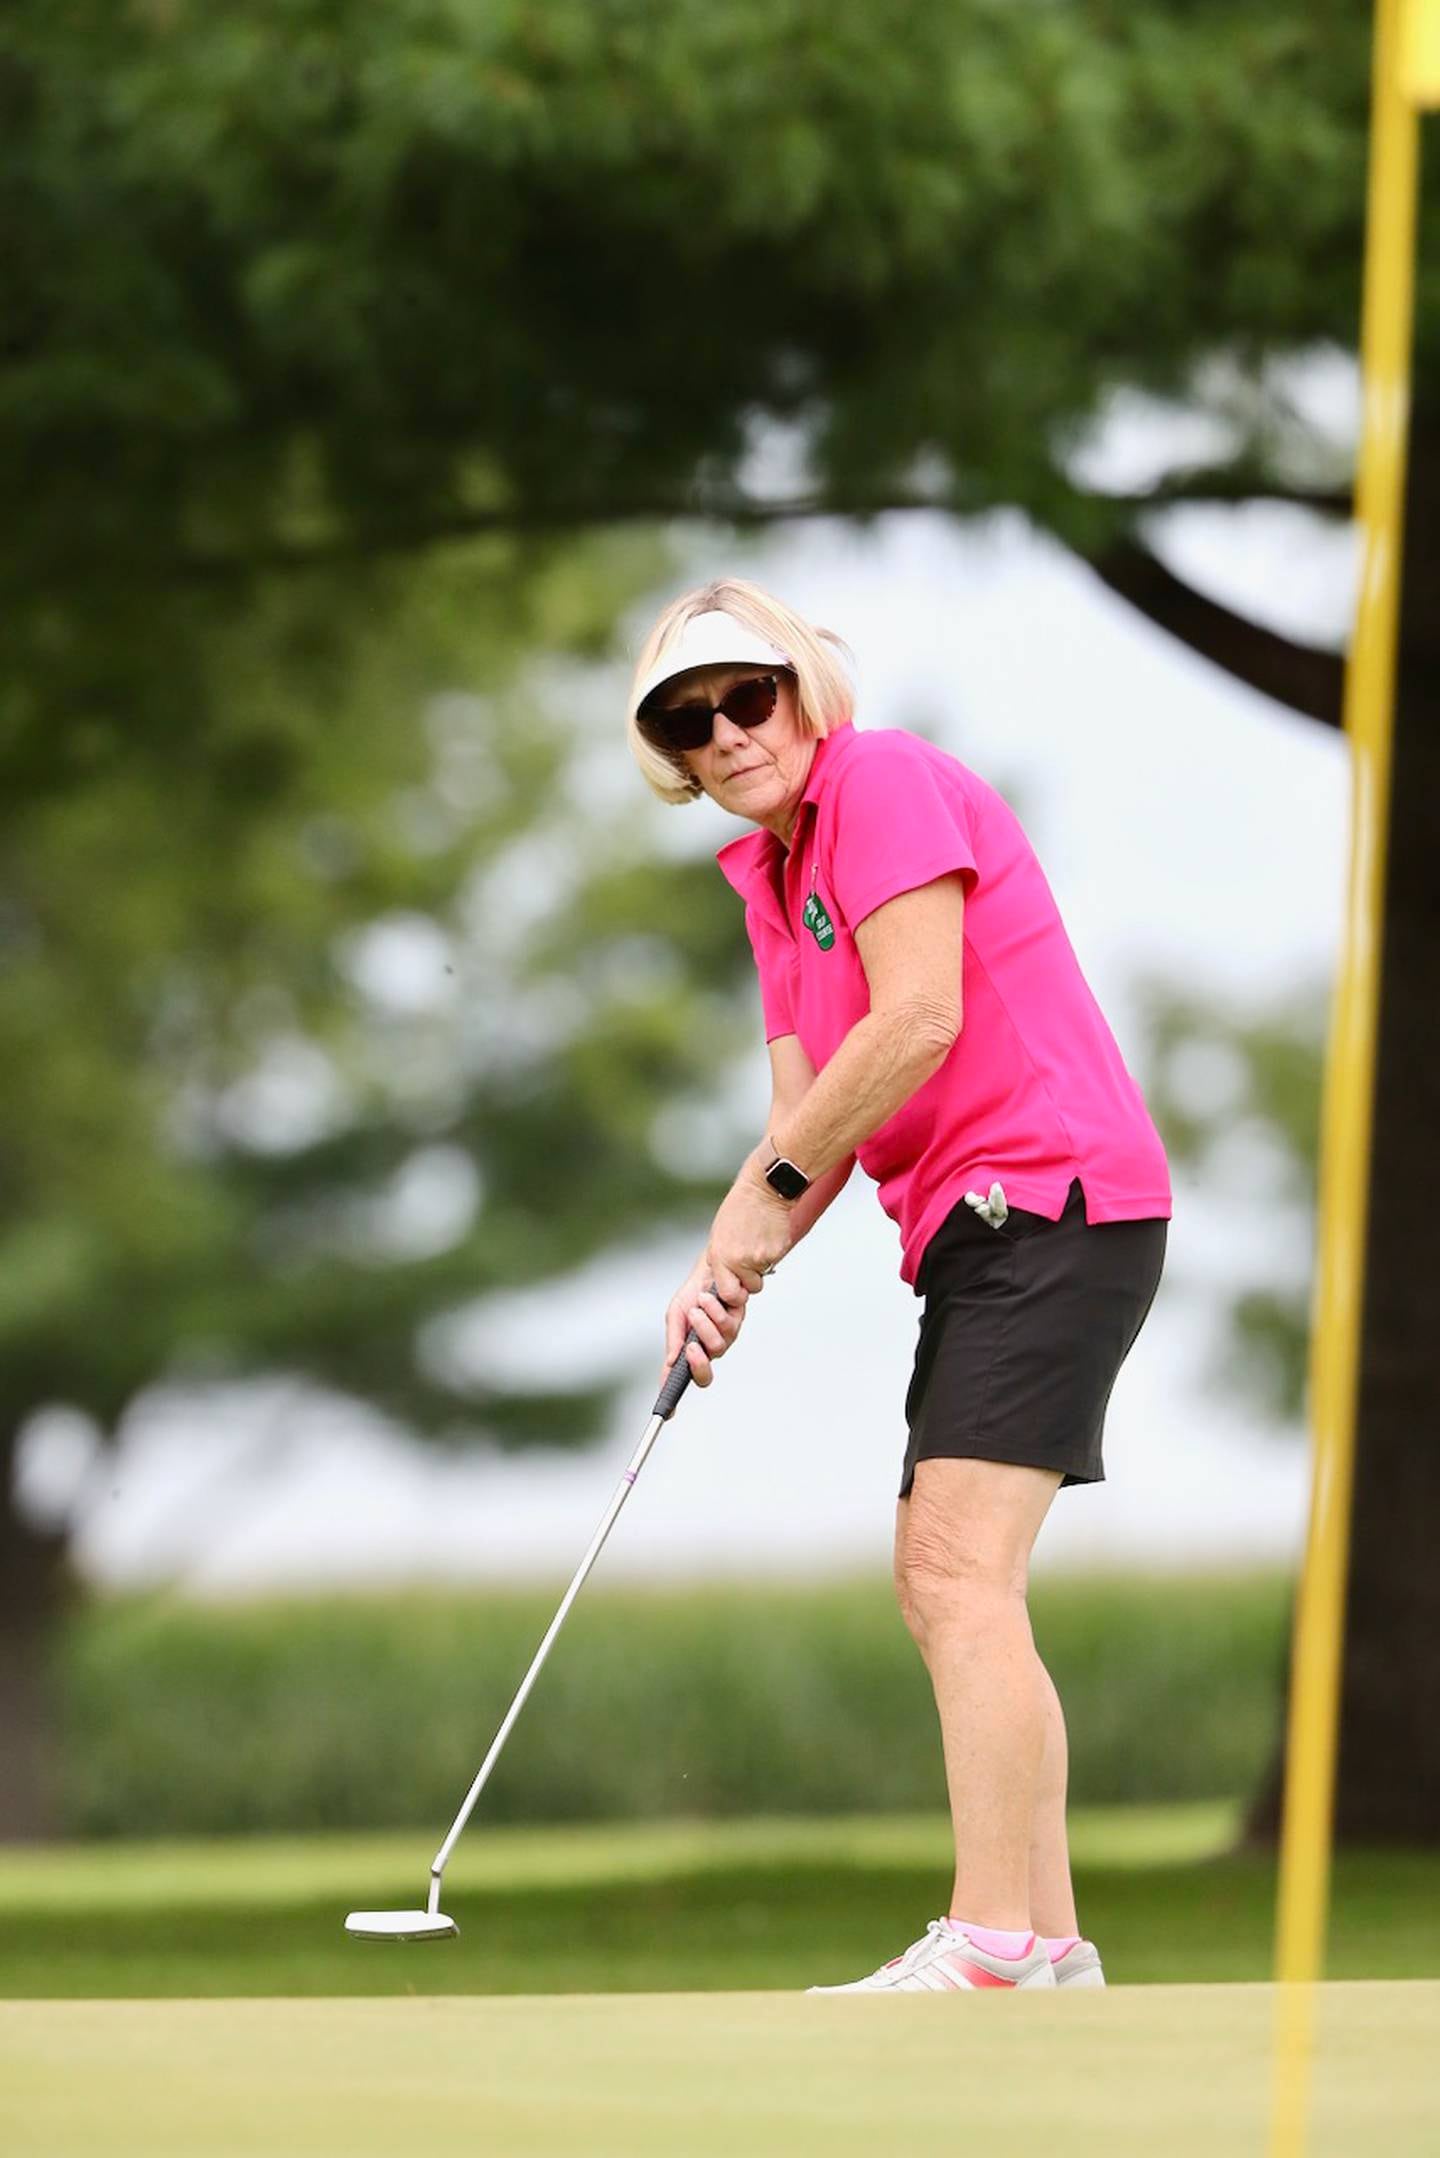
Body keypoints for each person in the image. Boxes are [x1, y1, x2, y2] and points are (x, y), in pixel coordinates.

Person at [626, 575, 1170, 1995]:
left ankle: (988, 1939)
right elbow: (808, 1118)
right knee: (950, 1588)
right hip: (981, 1232)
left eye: (751, 695)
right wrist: (721, 1266)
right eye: (693, 719)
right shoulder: (766, 876)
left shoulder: (882, 780)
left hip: (1048, 1197)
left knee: (953, 1572)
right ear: (674, 756)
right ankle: (1045, 1946)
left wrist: (765, 1205)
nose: (731, 732)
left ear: (802, 690)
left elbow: (916, 1019)